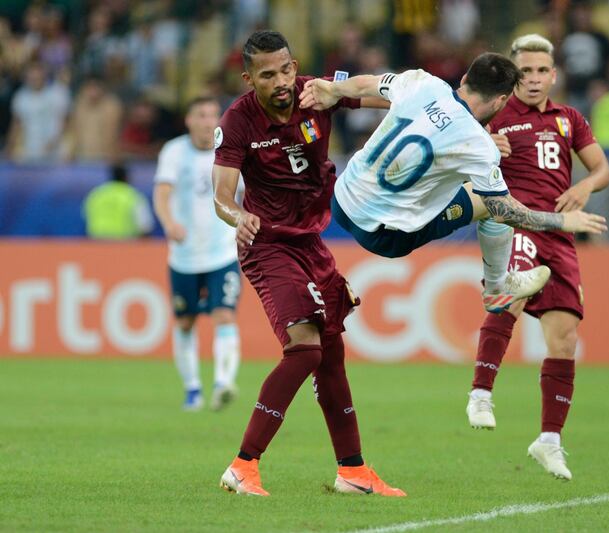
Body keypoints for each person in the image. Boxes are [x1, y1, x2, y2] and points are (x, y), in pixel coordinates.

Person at [211, 30, 404, 497]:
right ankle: (243, 466)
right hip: (266, 244)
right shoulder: (238, 120)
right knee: (305, 347)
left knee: (332, 353)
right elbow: (220, 196)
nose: (281, 82)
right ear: (248, 78)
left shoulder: (316, 93)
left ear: (295, 66)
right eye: (267, 74)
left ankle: (353, 471)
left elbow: (385, 92)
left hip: (311, 243)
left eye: (286, 70)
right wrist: (239, 217)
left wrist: (405, 98)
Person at [299, 53, 607, 315]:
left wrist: (333, 89)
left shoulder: (424, 83)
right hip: (382, 234)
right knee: (491, 200)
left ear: (463, 80)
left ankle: (497, 282)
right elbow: (504, 212)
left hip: (342, 199)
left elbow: (367, 83)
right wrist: (562, 220)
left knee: (449, 177)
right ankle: (498, 285)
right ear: (501, 100)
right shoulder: (478, 147)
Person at [463, 34, 609, 481]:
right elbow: (457, 158)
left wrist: (585, 186)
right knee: (512, 293)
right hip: (512, 221)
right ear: (512, 74)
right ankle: (481, 392)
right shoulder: (493, 112)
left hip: (559, 231)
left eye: (540, 71)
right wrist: (488, 148)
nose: (532, 79)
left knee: (565, 337)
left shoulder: (569, 119)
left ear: (554, 74)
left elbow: (601, 168)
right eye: (524, 71)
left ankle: (548, 441)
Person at [152, 96, 242, 412]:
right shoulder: (174, 152)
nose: (208, 121)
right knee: (186, 322)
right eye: (201, 115)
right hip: (184, 256)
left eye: (213, 114)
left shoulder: (231, 148)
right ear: (189, 120)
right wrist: (168, 223)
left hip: (223, 253)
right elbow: (162, 193)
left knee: (224, 315)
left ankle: (223, 384)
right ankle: (193, 389)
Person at [83, 163, 154, 239]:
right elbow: (145, 226)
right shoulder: (133, 196)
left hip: (95, 244)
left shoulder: (96, 194)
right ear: (127, 177)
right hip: (124, 245)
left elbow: (86, 216)